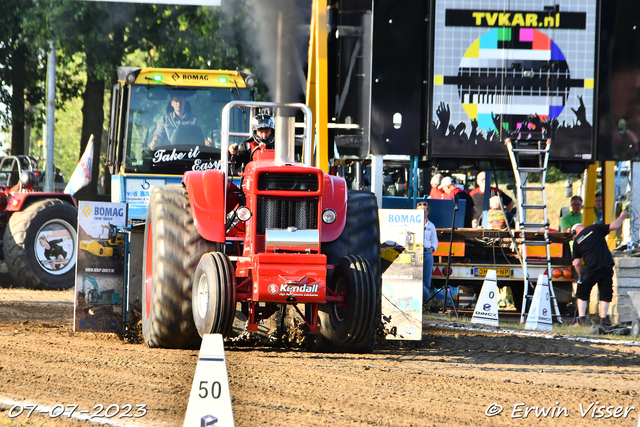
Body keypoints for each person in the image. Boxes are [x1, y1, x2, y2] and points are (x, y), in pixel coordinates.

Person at [570, 209, 627, 328]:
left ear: (574, 233)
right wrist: (622, 216)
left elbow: (576, 263)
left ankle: (581, 321)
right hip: (606, 267)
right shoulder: (595, 228)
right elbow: (615, 225)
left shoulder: (576, 243)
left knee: (582, 292)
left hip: (590, 269)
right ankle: (602, 322)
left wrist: (581, 275)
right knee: (605, 293)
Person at [418, 201, 438, 303]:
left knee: (427, 280)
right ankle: (425, 299)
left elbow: (435, 241)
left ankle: (424, 302)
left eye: (425, 211)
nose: (423, 213)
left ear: (428, 212)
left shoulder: (431, 226)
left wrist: (432, 249)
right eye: (421, 211)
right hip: (416, 252)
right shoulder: (413, 223)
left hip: (426, 252)